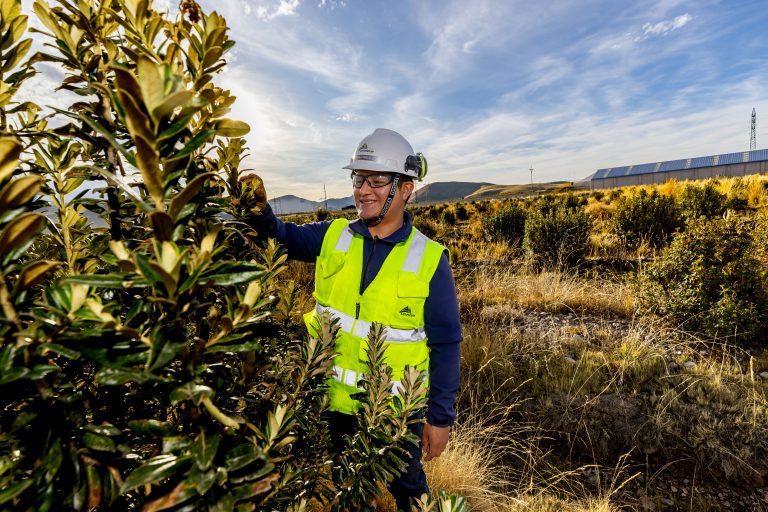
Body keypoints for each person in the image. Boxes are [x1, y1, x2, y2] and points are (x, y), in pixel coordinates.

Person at [241, 128, 462, 511]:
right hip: (329, 405)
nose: (363, 190)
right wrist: (260, 212)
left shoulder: (429, 259)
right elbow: (279, 236)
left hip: (393, 416)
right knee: (343, 493)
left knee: (412, 497)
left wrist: (439, 420)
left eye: (377, 181)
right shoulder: (332, 235)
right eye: (359, 179)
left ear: (405, 188)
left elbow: (445, 345)